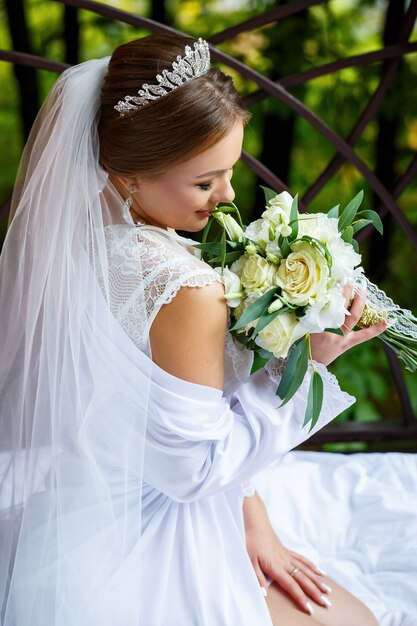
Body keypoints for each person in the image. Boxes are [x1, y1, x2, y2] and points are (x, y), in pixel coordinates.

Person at [0, 34, 386, 626]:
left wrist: (256, 524)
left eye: (228, 172)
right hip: (161, 532)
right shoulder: (186, 288)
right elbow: (194, 472)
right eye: (206, 182)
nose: (229, 196)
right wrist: (306, 365)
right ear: (128, 175)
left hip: (85, 506)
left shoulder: (82, 248)